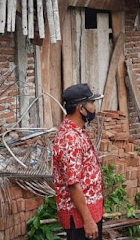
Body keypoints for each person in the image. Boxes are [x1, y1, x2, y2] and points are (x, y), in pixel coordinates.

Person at [53, 83, 105, 240]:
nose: (94, 107)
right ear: (81, 109)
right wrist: (88, 221)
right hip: (81, 218)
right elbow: (74, 184)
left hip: (90, 210)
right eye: (92, 103)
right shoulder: (70, 139)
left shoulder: (77, 131)